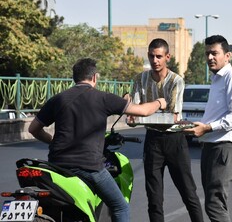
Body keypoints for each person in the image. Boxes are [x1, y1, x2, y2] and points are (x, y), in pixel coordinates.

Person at [28, 58, 167, 222]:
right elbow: (143, 111)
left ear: (75, 77)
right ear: (95, 77)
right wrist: (159, 102)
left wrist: (53, 142)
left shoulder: (58, 99)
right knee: (120, 206)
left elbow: (33, 129)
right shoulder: (103, 98)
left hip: (56, 165)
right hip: (87, 167)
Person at [130, 38, 204, 222]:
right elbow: (134, 112)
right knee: (154, 199)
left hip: (175, 140)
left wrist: (144, 111)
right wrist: (146, 110)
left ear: (167, 57)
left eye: (159, 56)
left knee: (188, 193)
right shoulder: (140, 79)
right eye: (151, 56)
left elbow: (172, 115)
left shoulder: (176, 80)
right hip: (153, 140)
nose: (155, 60)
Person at [184, 35, 232, 222]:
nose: (210, 57)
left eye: (215, 53)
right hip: (211, 146)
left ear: (227, 56)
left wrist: (207, 128)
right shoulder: (217, 79)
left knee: (214, 203)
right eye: (207, 54)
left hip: (224, 147)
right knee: (214, 202)